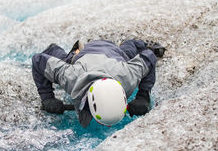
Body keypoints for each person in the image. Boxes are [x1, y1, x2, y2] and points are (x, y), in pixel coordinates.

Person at [31, 39, 164, 128]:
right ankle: (54, 49)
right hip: (87, 54)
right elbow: (38, 60)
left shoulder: (128, 76)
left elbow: (149, 56)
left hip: (114, 53)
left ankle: (136, 43)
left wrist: (143, 96)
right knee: (67, 60)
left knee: (129, 48)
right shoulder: (72, 76)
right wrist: (47, 97)